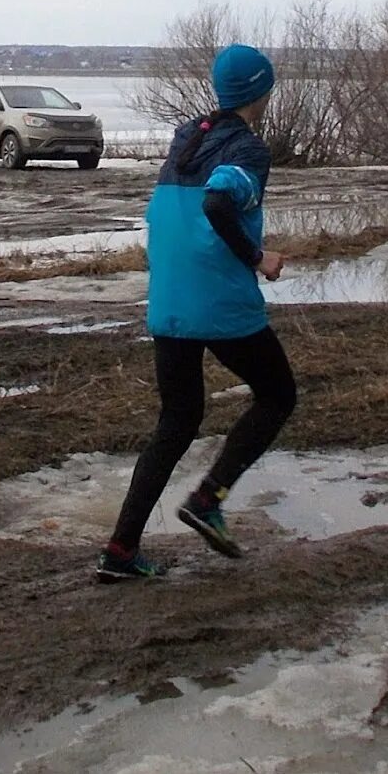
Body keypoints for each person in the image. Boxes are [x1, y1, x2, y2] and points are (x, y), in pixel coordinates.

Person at [97, 44, 294, 582]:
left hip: (170, 298)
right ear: (261, 91)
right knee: (278, 395)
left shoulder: (189, 137)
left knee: (178, 420)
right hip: (219, 298)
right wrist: (258, 257)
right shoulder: (248, 151)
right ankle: (208, 499)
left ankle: (119, 552)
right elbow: (216, 202)